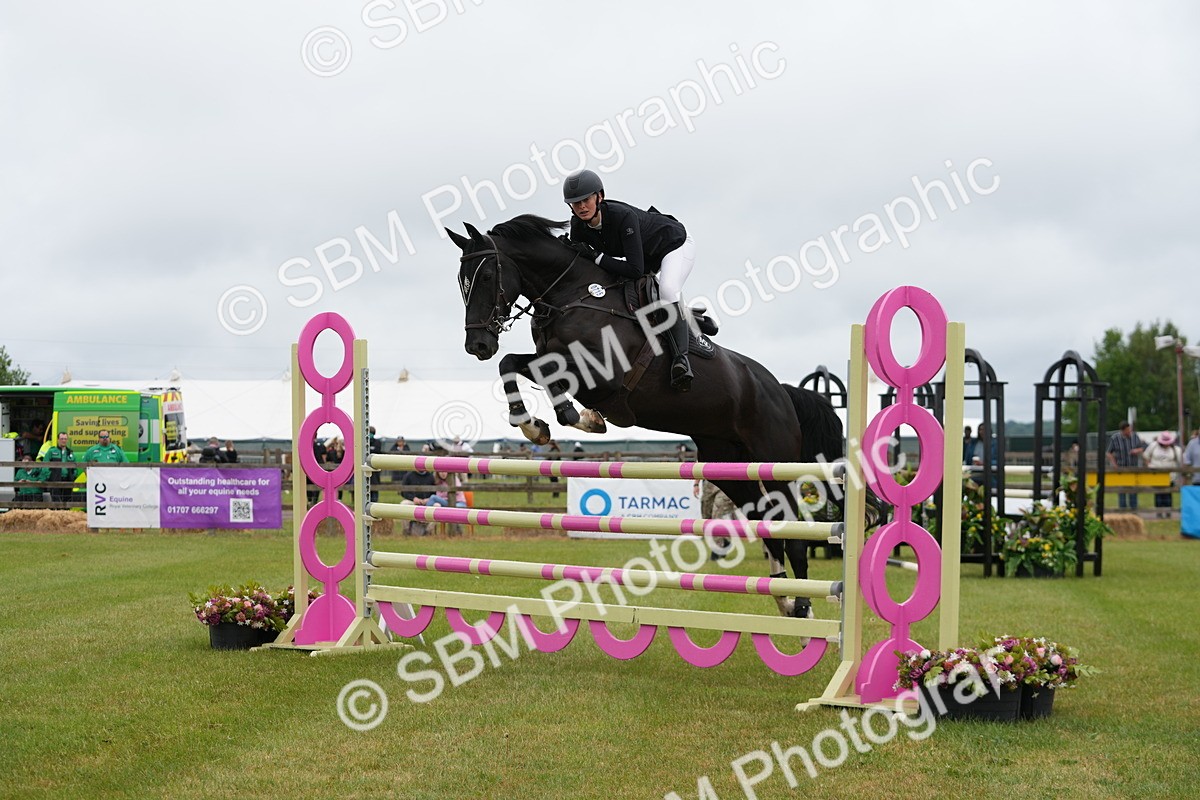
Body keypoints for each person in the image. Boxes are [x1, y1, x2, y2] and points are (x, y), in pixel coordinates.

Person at [563, 169, 697, 391]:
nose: (582, 207)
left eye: (586, 200)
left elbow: (635, 269)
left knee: (667, 290)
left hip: (673, 244)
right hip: (644, 255)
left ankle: (681, 360)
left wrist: (596, 256)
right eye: (576, 203)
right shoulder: (578, 226)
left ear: (599, 197)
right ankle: (688, 317)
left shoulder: (621, 216)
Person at [1107, 421, 1147, 509]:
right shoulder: (1115, 438)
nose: (1129, 432)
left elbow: (1143, 447)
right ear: (1123, 430)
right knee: (1122, 490)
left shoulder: (1135, 436)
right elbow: (1109, 453)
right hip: (1121, 469)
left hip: (1133, 468)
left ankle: (1134, 508)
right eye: (1128, 430)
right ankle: (1122, 509)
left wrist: (1137, 450)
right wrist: (1114, 464)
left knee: (1133, 489)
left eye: (1130, 430)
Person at [1143, 431, 1182, 518]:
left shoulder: (1175, 449)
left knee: (1168, 495)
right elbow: (1145, 456)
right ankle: (1159, 513)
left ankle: (1168, 512)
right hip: (1156, 476)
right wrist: (1149, 466)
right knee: (1158, 494)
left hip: (1170, 477)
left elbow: (1180, 461)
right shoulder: (1153, 446)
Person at [42, 432, 77, 506]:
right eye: (62, 439)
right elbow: (45, 465)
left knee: (67, 502)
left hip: (68, 480)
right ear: (58, 439)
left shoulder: (70, 453)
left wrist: (73, 476)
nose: (63, 440)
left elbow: (75, 467)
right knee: (56, 502)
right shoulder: (51, 451)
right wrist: (50, 476)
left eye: (65, 439)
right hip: (55, 480)